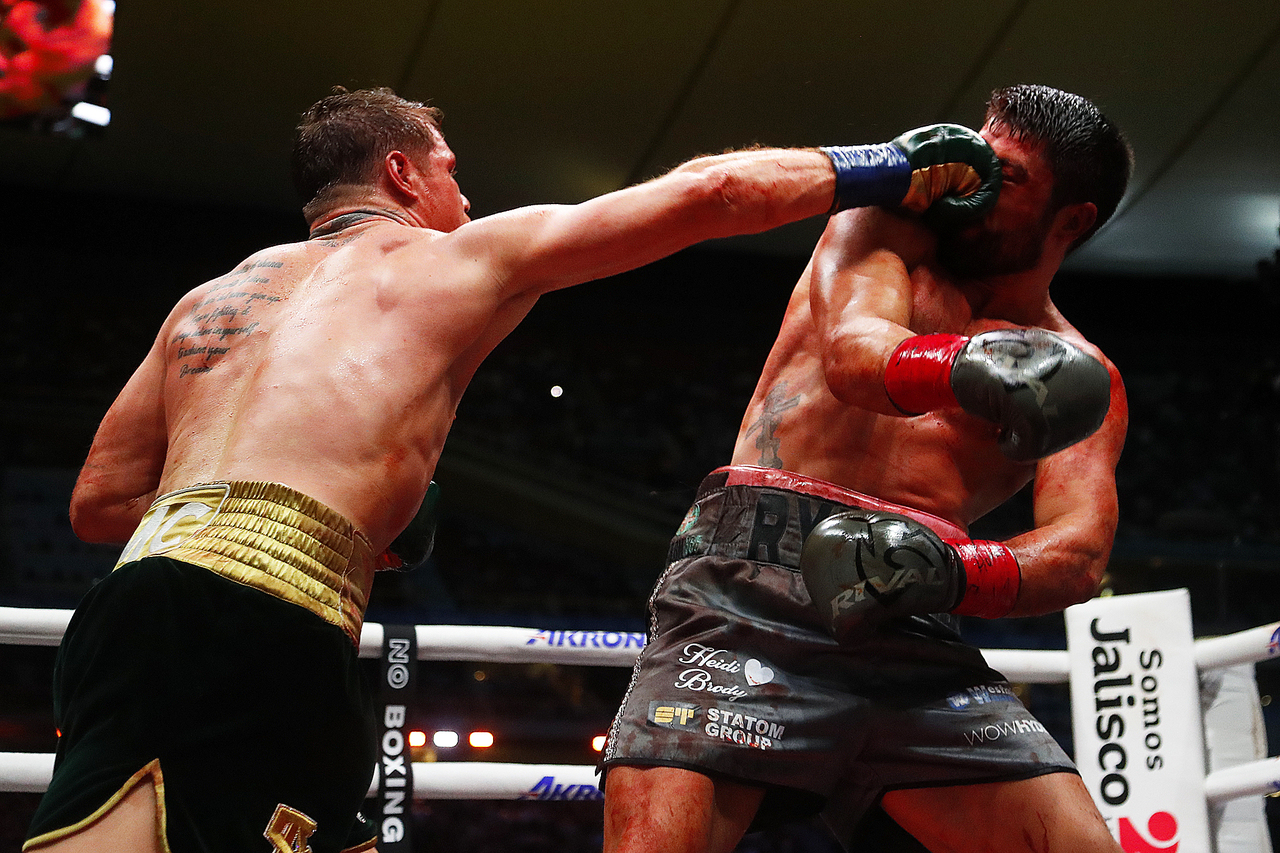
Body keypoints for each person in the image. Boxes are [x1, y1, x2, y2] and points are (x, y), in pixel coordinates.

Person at [23, 86, 1001, 853]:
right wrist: (890, 167)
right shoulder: (450, 259)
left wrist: (322, 506)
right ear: (401, 172)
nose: (466, 198)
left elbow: (100, 502)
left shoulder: (206, 300)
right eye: (452, 172)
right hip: (263, 621)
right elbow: (709, 195)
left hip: (142, 609)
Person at [600, 83, 1134, 853]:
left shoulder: (1085, 377)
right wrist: (970, 367)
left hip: (912, 606)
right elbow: (857, 355)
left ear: (1072, 219)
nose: (973, 187)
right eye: (978, 159)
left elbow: (1078, 552)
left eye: (1008, 178)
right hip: (752, 577)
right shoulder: (881, 228)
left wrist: (949, 571)